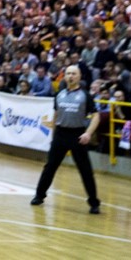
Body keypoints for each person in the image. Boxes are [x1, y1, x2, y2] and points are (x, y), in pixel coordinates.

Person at [31, 65, 101, 214]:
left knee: (85, 170)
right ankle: (39, 195)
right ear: (64, 76)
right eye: (68, 73)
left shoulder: (85, 95)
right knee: (50, 167)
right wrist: (53, 135)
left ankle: (94, 203)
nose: (71, 76)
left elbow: (96, 116)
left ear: (79, 77)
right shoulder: (59, 94)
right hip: (60, 134)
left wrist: (88, 133)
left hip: (77, 135)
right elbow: (56, 115)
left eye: (74, 74)